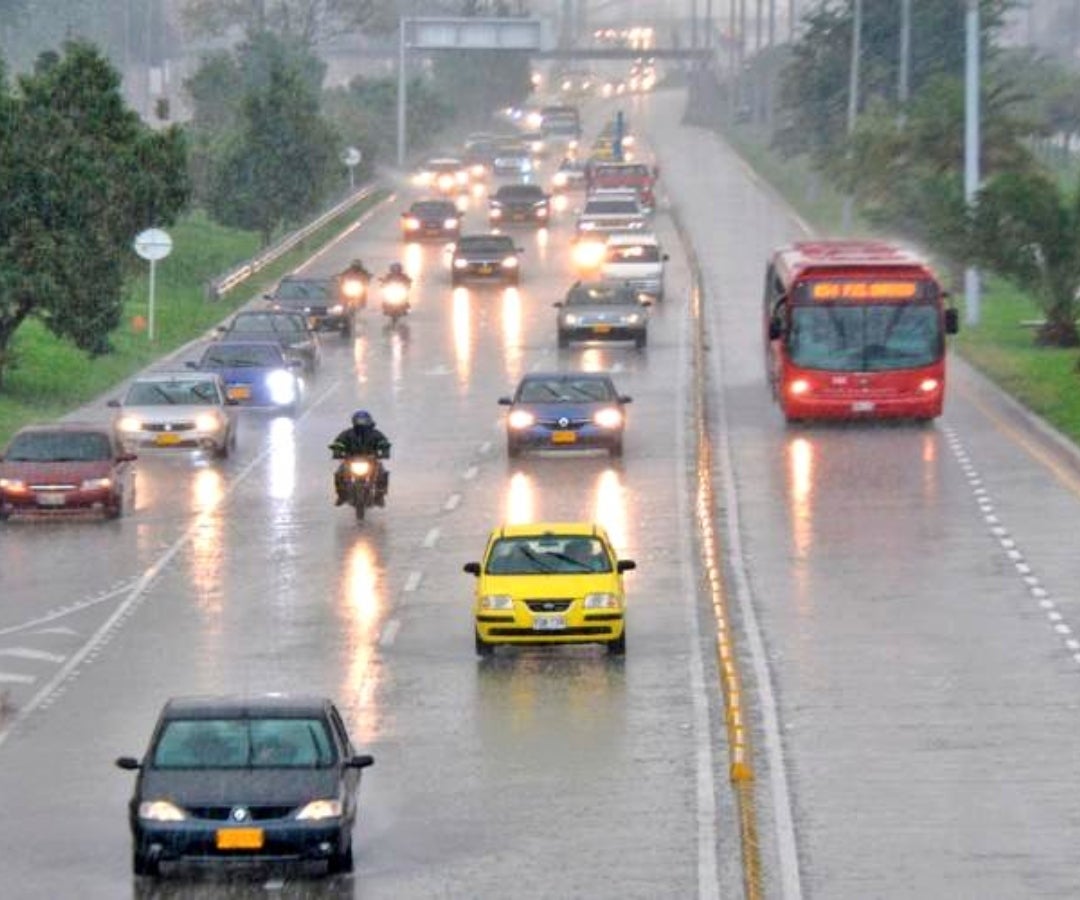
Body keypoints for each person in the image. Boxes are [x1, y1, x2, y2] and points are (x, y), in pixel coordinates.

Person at [329, 410, 392, 506]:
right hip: (350, 459)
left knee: (382, 473)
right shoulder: (347, 434)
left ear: (369, 421)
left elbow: (383, 442)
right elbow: (339, 442)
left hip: (371, 459)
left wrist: (384, 451)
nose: (361, 423)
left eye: (363, 420)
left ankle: (380, 496)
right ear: (354, 421)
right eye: (359, 420)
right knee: (339, 474)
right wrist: (337, 451)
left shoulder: (375, 434)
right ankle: (341, 495)